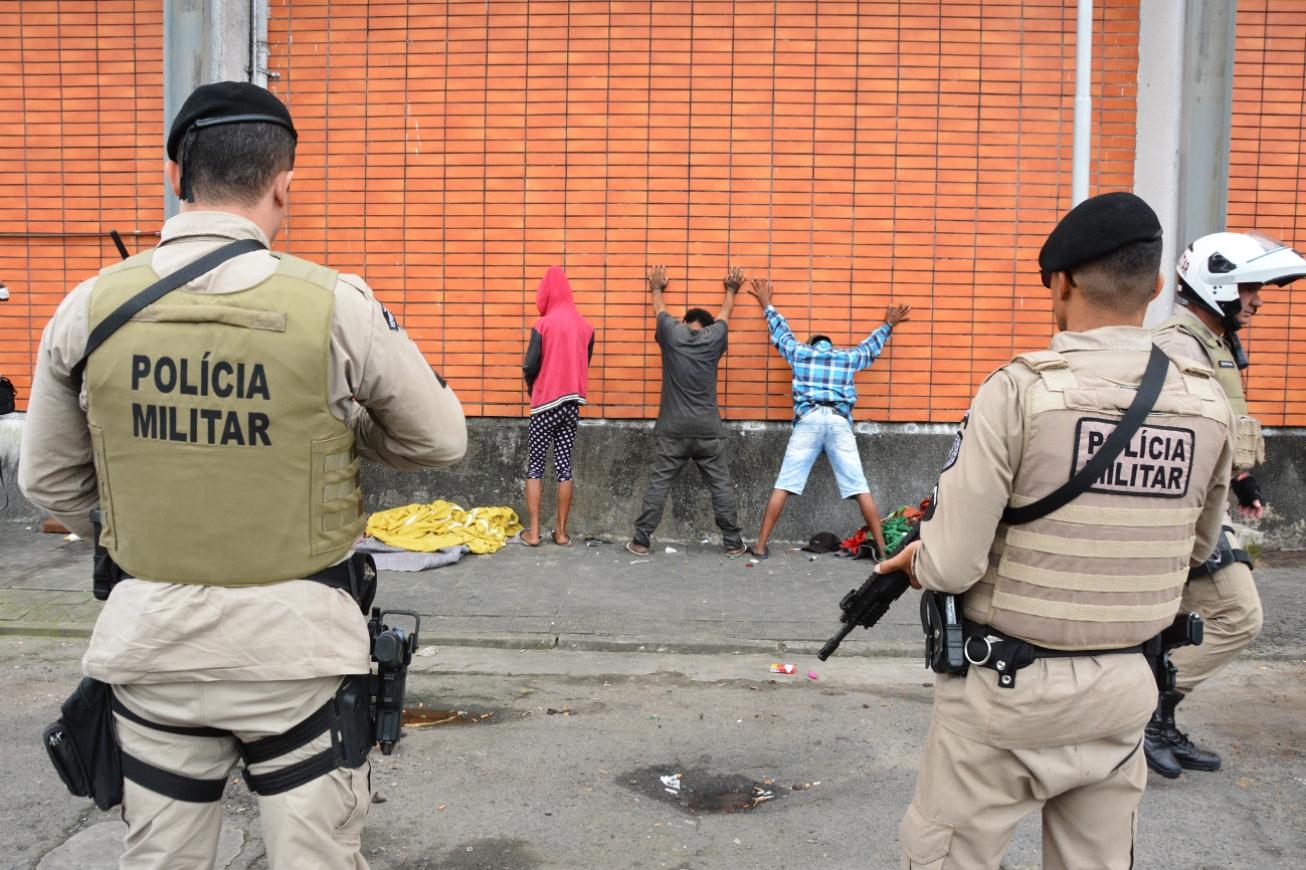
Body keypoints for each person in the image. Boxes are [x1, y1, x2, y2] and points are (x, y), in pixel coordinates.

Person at [19, 82, 466, 869]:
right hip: (298, 658)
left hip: (151, 650)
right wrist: (343, 428)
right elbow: (439, 440)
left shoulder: (87, 307)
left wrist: (143, 520)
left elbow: (48, 480)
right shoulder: (336, 305)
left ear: (173, 174)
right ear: (283, 181)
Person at [879, 191, 1236, 869]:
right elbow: (1195, 550)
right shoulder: (1206, 402)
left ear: (1062, 281)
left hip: (1005, 698)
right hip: (1126, 689)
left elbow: (953, 565)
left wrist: (917, 561)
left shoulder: (1019, 391)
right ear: (1157, 285)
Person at [1145, 231, 1306, 778]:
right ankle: (1146, 711)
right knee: (1239, 616)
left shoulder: (1208, 339)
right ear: (1217, 285)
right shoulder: (1178, 344)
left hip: (1201, 507)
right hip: (1180, 514)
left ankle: (1153, 719)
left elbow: (1212, 427)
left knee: (1173, 624)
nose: (1257, 299)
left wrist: (1241, 481)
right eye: (1249, 288)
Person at [746, 276, 909, 559]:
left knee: (784, 483)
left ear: (812, 344)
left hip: (808, 421)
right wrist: (888, 324)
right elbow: (870, 348)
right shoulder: (845, 358)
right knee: (859, 486)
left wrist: (766, 302)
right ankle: (883, 550)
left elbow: (780, 332)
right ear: (830, 346)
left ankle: (760, 546)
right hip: (837, 422)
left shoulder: (800, 353)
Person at [626, 265, 747, 557]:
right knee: (720, 486)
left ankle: (641, 541)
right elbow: (725, 314)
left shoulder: (671, 333)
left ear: (684, 322)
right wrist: (731, 289)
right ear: (706, 327)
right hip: (708, 430)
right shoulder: (715, 336)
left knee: (659, 484)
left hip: (673, 430)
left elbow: (659, 309)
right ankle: (732, 543)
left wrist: (656, 287)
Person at [521, 266, 595, 546]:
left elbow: (530, 365)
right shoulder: (585, 327)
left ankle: (534, 533)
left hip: (544, 405)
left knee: (536, 466)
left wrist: (533, 387)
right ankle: (562, 533)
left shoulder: (543, 325)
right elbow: (583, 362)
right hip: (571, 404)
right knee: (564, 465)